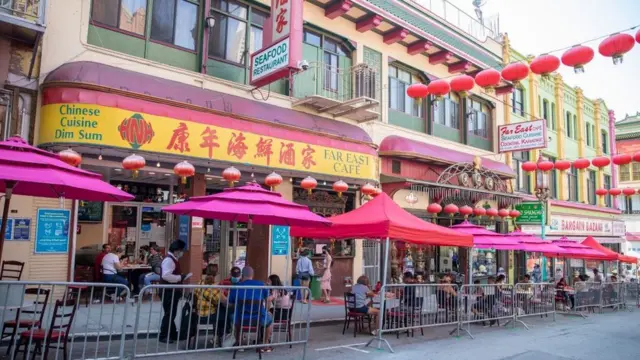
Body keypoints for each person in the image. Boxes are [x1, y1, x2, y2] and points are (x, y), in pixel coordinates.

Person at [228, 266, 273, 353]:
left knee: (231, 317)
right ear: (252, 275)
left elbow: (230, 303)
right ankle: (265, 344)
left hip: (240, 319)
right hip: (259, 319)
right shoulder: (261, 285)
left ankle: (239, 343)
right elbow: (268, 299)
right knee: (269, 319)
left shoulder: (236, 287)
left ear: (242, 275)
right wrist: (272, 296)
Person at [159, 240, 188, 344]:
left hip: (172, 290)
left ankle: (173, 334)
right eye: (181, 250)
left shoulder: (173, 259)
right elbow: (166, 276)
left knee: (171, 313)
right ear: (176, 250)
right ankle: (163, 335)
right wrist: (180, 277)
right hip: (168, 291)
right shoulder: (169, 260)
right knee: (169, 314)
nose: (182, 253)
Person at [194, 264, 229, 346]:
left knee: (219, 311)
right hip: (209, 315)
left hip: (198, 315)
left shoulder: (199, 283)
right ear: (216, 274)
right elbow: (224, 301)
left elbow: (195, 295)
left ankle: (216, 337)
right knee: (224, 313)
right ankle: (222, 336)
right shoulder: (215, 287)